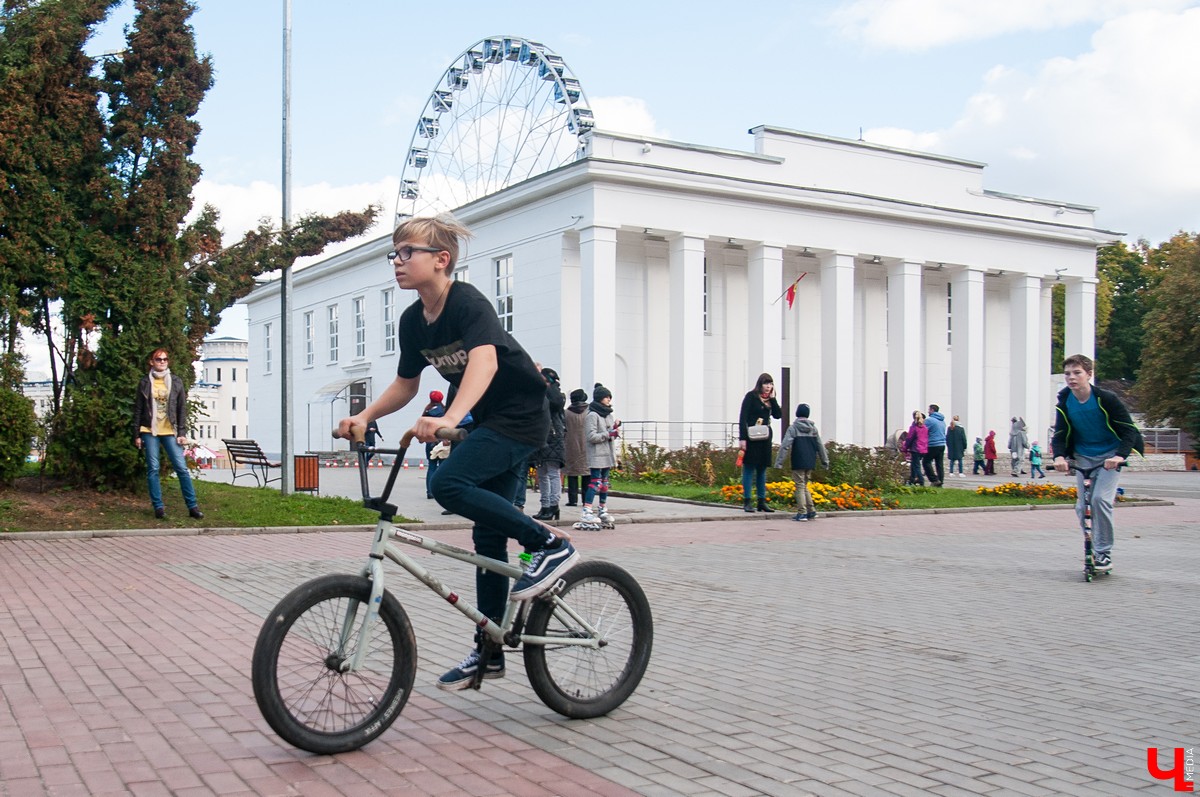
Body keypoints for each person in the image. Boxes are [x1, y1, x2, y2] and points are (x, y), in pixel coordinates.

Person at [336, 214, 578, 691]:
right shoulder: (413, 321)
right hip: (487, 421)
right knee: (488, 543)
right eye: (394, 253)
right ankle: (489, 651)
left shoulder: (466, 302)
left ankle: (551, 546)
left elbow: (484, 361)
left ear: (440, 260)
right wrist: (366, 417)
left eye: (407, 252)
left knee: (447, 484)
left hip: (522, 416)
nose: (397, 262)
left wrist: (451, 417)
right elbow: (407, 384)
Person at [1051, 353, 1144, 571]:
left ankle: (1103, 553)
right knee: (1082, 505)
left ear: (1089, 375)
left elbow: (1128, 430)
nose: (1071, 378)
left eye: (1077, 373)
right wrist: (1059, 456)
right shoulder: (1065, 401)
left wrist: (1119, 456)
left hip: (1110, 456)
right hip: (1083, 456)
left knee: (1101, 499)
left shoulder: (1106, 398)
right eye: (1067, 374)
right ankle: (1090, 546)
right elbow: (1060, 433)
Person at [133, 347, 203, 520]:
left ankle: (192, 507)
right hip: (149, 430)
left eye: (165, 359)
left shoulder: (176, 381)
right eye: (158, 359)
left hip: (170, 430)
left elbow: (181, 409)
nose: (162, 361)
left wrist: (181, 432)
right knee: (153, 468)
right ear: (152, 362)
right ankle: (158, 508)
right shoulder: (145, 382)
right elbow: (138, 409)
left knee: (181, 468)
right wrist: (136, 434)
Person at [774, 403, 829, 522]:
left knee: (799, 485)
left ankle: (802, 512)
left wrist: (779, 462)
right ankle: (811, 511)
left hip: (798, 459)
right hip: (810, 460)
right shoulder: (813, 429)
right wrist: (825, 461)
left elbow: (785, 445)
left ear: (797, 413)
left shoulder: (793, 428)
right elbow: (820, 446)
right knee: (804, 485)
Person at [576, 384, 620, 529]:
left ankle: (602, 508)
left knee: (605, 483)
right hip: (597, 454)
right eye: (607, 397)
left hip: (608, 454)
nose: (609, 400)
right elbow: (591, 436)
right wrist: (609, 434)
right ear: (600, 398)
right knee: (595, 482)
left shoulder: (608, 414)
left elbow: (609, 432)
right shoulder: (592, 415)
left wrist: (614, 429)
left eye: (609, 397)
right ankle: (587, 510)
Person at [738, 373, 782, 512]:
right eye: (766, 384)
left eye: (770, 384)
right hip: (751, 438)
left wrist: (774, 400)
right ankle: (747, 501)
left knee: (762, 469)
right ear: (760, 384)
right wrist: (742, 438)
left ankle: (761, 501)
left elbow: (778, 415)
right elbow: (743, 417)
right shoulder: (751, 397)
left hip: (765, 438)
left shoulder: (770, 399)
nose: (768, 387)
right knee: (749, 468)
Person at [533, 367, 566, 521]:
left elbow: (556, 405)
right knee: (542, 474)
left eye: (546, 380)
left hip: (553, 437)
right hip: (541, 437)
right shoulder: (541, 394)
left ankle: (554, 505)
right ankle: (545, 505)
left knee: (552, 473)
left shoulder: (554, 396)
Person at [563, 388, 590, 506]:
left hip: (570, 446)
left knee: (572, 474)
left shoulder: (566, 413)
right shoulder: (589, 412)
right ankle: (586, 499)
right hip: (587, 447)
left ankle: (572, 500)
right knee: (587, 474)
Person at [421, 391, 446, 498]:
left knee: (431, 466)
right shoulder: (444, 411)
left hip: (430, 442)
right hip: (442, 442)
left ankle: (429, 492)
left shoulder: (427, 411)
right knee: (442, 467)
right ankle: (440, 491)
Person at [923, 404, 947, 486]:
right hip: (942, 444)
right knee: (939, 464)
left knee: (926, 462)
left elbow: (923, 430)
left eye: (929, 410)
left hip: (933, 444)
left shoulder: (930, 420)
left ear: (932, 410)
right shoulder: (942, 421)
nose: (928, 411)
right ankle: (940, 480)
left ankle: (934, 479)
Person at [905, 410, 929, 486]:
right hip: (923, 449)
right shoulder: (925, 428)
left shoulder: (914, 428)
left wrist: (905, 447)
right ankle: (912, 479)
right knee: (914, 464)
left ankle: (921, 480)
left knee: (916, 465)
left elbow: (909, 438)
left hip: (916, 448)